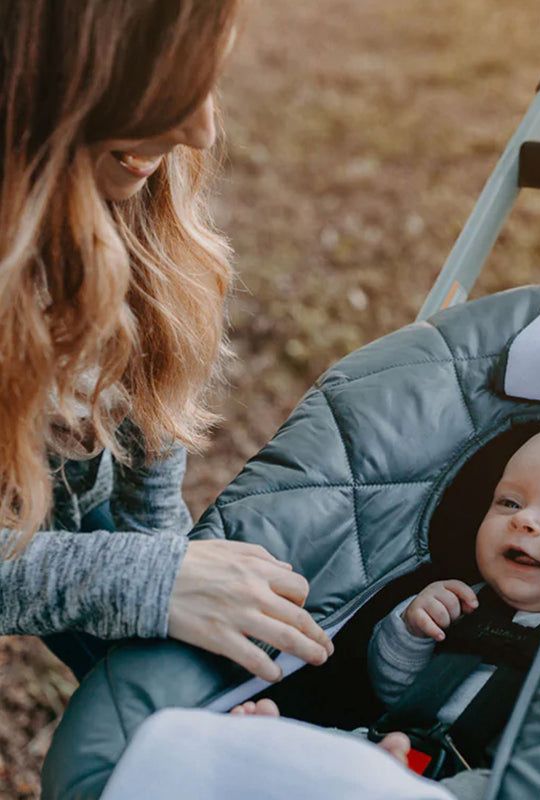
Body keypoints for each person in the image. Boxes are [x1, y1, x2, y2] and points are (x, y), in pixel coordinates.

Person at [0, 0, 331, 685]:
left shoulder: (139, 213)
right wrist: (151, 579)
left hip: (58, 493)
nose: (203, 131)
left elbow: (146, 491)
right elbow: (142, 570)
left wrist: (185, 649)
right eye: (163, 82)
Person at [225, 425, 540, 800]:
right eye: (508, 502)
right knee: (334, 746)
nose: (525, 521)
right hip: (392, 744)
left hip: (482, 777)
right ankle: (272, 749)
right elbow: (394, 693)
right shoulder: (466, 601)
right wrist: (411, 628)